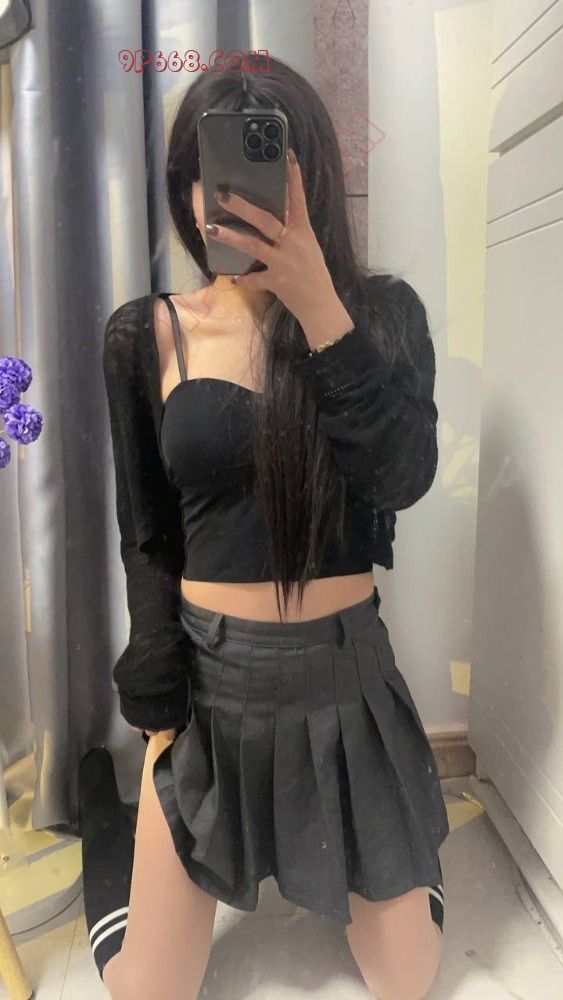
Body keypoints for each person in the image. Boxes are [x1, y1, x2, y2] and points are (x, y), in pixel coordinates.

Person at [84, 54, 449, 1000]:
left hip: (345, 679)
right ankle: (104, 822)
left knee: (407, 980)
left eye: (262, 169)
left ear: (310, 177)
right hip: (212, 685)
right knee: (146, 989)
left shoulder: (383, 317)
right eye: (205, 173)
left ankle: (398, 847)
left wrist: (321, 307)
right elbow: (146, 530)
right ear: (186, 186)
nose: (227, 199)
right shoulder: (145, 333)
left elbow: (403, 478)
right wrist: (154, 662)